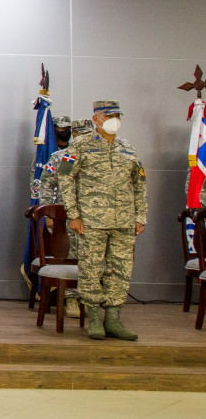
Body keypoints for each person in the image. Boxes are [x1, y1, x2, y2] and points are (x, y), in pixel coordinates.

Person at [60, 100, 147, 341]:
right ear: (96, 119)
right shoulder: (79, 146)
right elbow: (65, 178)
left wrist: (140, 216)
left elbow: (139, 184)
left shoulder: (127, 148)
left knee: (121, 270)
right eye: (109, 116)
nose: (114, 120)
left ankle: (113, 319)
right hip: (92, 221)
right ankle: (95, 319)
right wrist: (73, 214)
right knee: (91, 269)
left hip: (124, 222)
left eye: (117, 115)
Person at [36, 116, 92, 319]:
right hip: (67, 218)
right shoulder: (62, 158)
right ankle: (71, 299)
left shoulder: (97, 157)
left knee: (91, 259)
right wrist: (47, 213)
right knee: (69, 256)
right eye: (83, 135)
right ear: (74, 135)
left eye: (90, 135)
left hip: (93, 217)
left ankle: (90, 298)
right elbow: (46, 184)